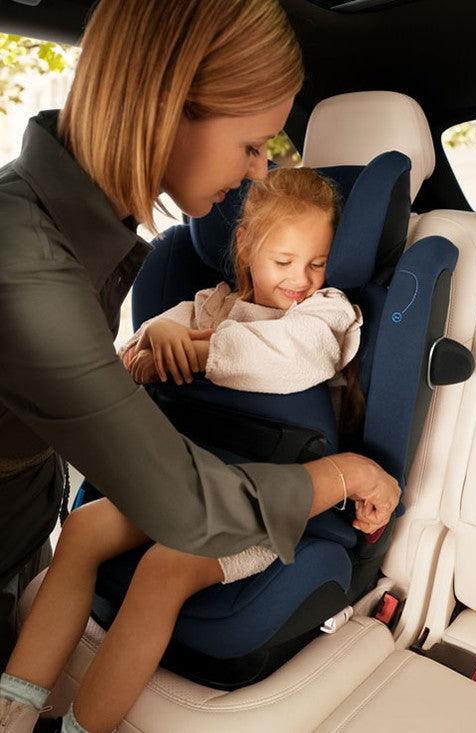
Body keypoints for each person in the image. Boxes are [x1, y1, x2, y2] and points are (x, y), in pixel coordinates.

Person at [0, 0, 399, 689]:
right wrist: (347, 474)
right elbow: (185, 506)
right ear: (166, 106)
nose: (255, 173)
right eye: (251, 146)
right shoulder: (32, 264)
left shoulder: (84, 236)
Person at [1, 166, 390, 733]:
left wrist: (190, 351)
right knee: (83, 529)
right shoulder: (212, 305)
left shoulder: (329, 314)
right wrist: (157, 340)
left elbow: (289, 357)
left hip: (272, 508)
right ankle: (14, 708)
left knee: (166, 566)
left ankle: (83, 727)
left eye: (317, 262)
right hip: (194, 483)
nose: (301, 279)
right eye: (284, 262)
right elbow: (136, 355)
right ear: (247, 249)